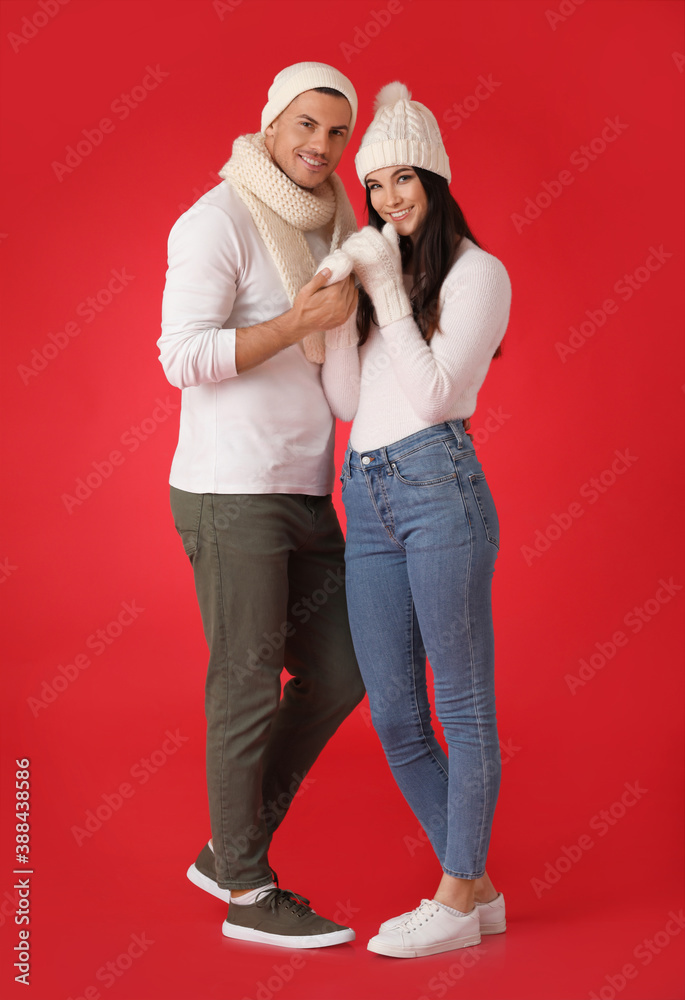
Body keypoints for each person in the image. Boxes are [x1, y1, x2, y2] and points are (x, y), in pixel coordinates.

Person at [157, 61, 366, 950]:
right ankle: (245, 886)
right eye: (305, 125)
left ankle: (225, 846)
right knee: (244, 685)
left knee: (347, 671)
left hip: (306, 488)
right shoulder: (216, 221)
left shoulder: (334, 230)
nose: (319, 146)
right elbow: (180, 355)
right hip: (230, 492)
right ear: (272, 123)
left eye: (336, 133)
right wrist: (296, 322)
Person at [318, 83, 512, 959]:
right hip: (365, 492)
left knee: (462, 706)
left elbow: (435, 396)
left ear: (433, 177)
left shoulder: (478, 273)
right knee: (394, 714)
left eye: (405, 180)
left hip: (440, 491)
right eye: (377, 187)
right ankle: (475, 886)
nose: (390, 200)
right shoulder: (376, 275)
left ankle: (454, 893)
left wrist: (388, 289)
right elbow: (349, 400)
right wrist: (331, 303)